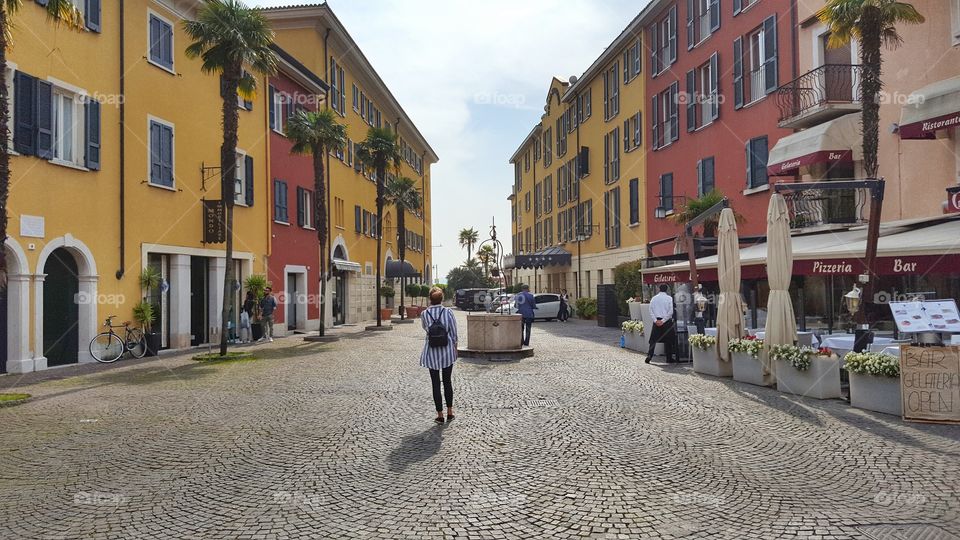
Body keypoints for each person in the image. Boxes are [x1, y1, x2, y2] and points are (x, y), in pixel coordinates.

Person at [421, 286, 458, 423]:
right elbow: (453, 332)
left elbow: (426, 329)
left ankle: (440, 415)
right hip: (447, 351)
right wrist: (455, 346)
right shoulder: (448, 312)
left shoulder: (425, 314)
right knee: (447, 381)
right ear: (441, 299)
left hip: (431, 353)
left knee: (435, 383)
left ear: (430, 299)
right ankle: (450, 412)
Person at [646, 284, 677, 364]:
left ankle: (649, 355)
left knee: (653, 340)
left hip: (656, 321)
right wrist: (663, 321)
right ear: (667, 290)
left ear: (659, 289)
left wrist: (655, 320)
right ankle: (669, 358)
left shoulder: (654, 298)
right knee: (668, 340)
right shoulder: (669, 298)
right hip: (666, 321)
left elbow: (650, 310)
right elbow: (671, 311)